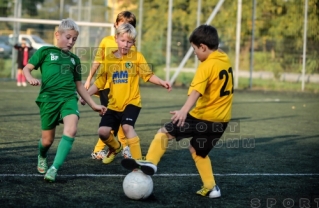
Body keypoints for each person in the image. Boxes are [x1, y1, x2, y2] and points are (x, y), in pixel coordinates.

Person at [121, 25, 234, 199]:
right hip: (221, 122)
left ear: (203, 47)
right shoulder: (224, 58)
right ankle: (212, 188)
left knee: (163, 133)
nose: (195, 54)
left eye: (195, 49)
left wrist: (183, 111)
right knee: (197, 150)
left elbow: (196, 92)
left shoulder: (206, 66)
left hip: (202, 118)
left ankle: (150, 162)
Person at [23, 18, 107, 182]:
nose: (71, 42)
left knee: (72, 129)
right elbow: (27, 68)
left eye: (74, 39)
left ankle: (54, 169)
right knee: (47, 141)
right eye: (68, 37)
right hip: (48, 100)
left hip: (68, 99)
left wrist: (94, 105)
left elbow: (79, 86)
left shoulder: (75, 59)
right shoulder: (45, 52)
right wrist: (29, 78)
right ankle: (42, 155)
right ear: (57, 35)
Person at [81, 23, 171, 165]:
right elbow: (100, 82)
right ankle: (115, 147)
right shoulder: (109, 59)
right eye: (123, 40)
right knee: (103, 132)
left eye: (129, 42)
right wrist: (86, 95)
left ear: (133, 43)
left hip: (132, 102)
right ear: (116, 38)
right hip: (113, 104)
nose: (125, 44)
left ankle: (139, 161)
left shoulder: (137, 57)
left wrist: (161, 82)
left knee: (127, 127)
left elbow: (148, 75)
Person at [84, 11, 137, 161]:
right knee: (113, 121)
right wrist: (89, 79)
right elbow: (97, 61)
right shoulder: (107, 41)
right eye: (123, 24)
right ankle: (106, 149)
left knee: (122, 121)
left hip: (123, 89)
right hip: (106, 87)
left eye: (130, 26)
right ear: (116, 25)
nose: (126, 28)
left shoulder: (132, 47)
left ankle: (122, 148)